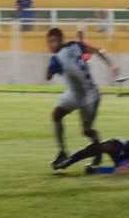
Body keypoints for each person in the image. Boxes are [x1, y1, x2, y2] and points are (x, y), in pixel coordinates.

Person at [46, 27, 120, 171]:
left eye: (53, 41)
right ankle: (62, 152)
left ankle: (97, 152)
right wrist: (112, 65)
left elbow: (48, 76)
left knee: (87, 131)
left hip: (90, 95)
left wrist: (51, 70)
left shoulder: (56, 58)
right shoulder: (76, 45)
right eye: (49, 42)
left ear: (61, 40)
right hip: (74, 94)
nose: (51, 45)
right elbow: (98, 50)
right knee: (56, 114)